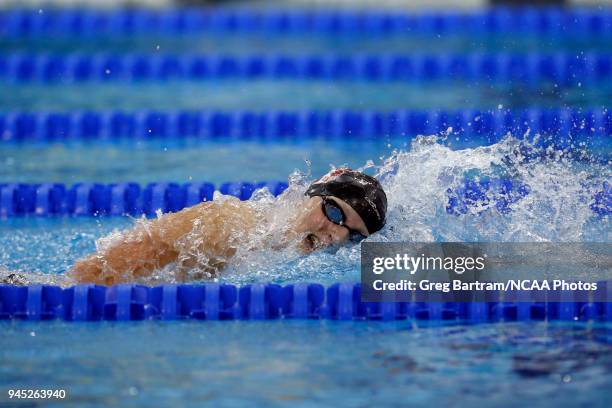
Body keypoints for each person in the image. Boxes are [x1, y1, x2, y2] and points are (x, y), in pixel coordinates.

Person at [6, 169, 387, 286]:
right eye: (335, 215)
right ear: (314, 192)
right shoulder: (227, 224)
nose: (335, 236)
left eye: (352, 236)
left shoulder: (291, 260)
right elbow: (91, 277)